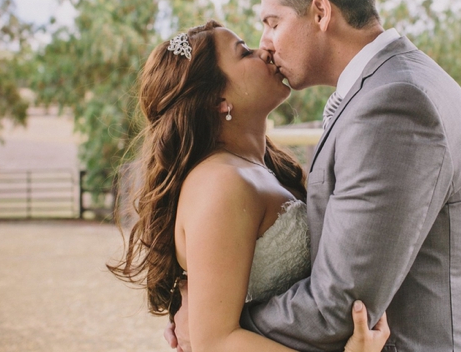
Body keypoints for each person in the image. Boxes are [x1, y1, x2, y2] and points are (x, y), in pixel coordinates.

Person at [170, 0, 461, 351]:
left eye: (272, 23)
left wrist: (213, 321)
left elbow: (338, 304)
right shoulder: (391, 87)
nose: (265, 43)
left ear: (320, 13)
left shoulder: (393, 104)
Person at [109, 20, 390, 352]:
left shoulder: (263, 167)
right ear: (218, 99)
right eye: (244, 52)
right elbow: (215, 342)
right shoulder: (220, 183)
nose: (266, 51)